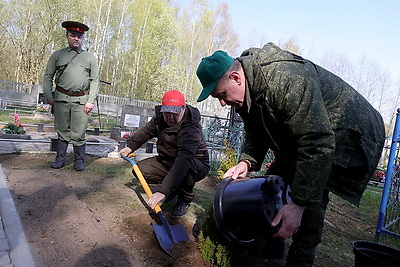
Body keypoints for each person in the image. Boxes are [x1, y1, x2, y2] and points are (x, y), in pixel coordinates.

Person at [196, 43, 385, 266]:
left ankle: (299, 260)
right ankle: (270, 257)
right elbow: (256, 130)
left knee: (309, 208)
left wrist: (298, 205)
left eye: (222, 94)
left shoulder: (284, 80)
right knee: (272, 187)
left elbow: (318, 143)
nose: (222, 102)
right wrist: (247, 161)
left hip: (350, 135)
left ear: (236, 77)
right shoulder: (246, 91)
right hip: (310, 136)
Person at [119, 90, 210, 216]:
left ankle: (185, 199)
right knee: (140, 171)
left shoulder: (191, 128)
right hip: (169, 160)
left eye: (174, 113)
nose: (170, 118)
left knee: (188, 166)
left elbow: (184, 159)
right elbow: (146, 132)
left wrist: (163, 191)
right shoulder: (160, 118)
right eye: (167, 113)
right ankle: (174, 187)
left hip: (195, 164)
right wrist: (130, 147)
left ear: (183, 108)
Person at [43, 21, 99, 171]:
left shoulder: (90, 58)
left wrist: (90, 101)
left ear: (83, 38)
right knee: (62, 130)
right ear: (67, 36)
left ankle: (79, 160)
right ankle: (60, 159)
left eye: (79, 36)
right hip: (61, 99)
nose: (76, 39)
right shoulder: (58, 55)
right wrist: (48, 95)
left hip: (81, 101)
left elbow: (95, 81)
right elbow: (48, 76)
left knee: (79, 132)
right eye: (73, 35)